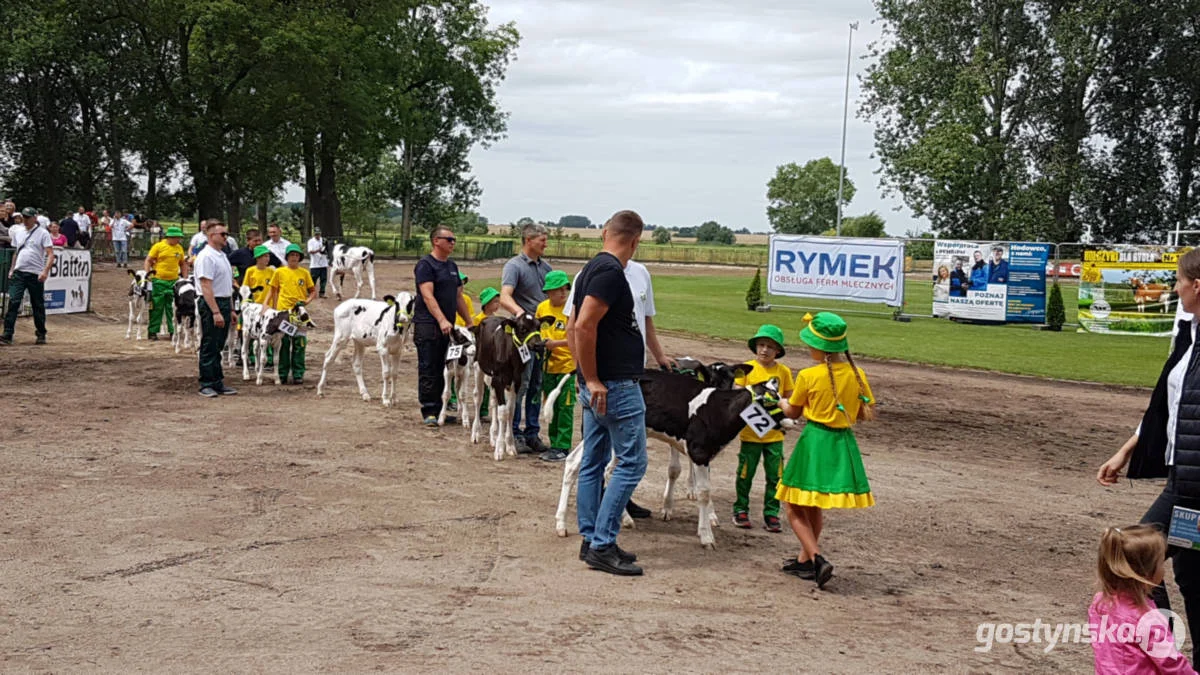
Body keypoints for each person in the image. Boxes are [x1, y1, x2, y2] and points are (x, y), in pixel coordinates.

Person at [1097, 248, 1200, 662]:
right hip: (1184, 477)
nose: (1175, 288)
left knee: (1129, 557)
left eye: (1178, 281)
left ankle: (1159, 655)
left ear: (1197, 286)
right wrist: (1125, 450)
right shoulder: (1189, 336)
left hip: (1193, 488)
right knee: (1193, 576)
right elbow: (1167, 407)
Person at [568, 210, 647, 576]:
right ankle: (602, 543)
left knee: (593, 462)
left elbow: (571, 326)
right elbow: (583, 327)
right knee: (632, 463)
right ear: (635, 240)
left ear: (604, 233)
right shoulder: (612, 273)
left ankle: (592, 538)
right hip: (614, 385)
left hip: (597, 383)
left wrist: (583, 376)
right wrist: (594, 378)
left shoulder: (587, 271)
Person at [564, 256, 674, 519]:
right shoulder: (596, 274)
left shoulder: (640, 273)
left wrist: (659, 356)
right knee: (628, 460)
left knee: (609, 454)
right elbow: (576, 325)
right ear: (635, 241)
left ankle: (607, 517)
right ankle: (602, 536)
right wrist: (585, 374)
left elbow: (645, 319)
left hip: (632, 373)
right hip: (609, 377)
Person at [776, 312, 876, 589]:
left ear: (819, 347)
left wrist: (780, 401)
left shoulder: (809, 375)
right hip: (842, 442)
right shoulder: (857, 374)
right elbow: (859, 413)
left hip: (814, 442)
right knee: (814, 503)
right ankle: (805, 560)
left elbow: (792, 411)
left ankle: (818, 558)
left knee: (794, 505)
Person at [1088, 525, 1194, 674]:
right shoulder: (1148, 619)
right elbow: (1170, 663)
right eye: (1160, 563)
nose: (1163, 569)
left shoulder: (1100, 604)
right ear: (1146, 574)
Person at [732, 324, 794, 532]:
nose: (764, 350)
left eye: (770, 346)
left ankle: (771, 513)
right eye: (761, 345)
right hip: (751, 433)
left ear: (778, 351)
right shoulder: (746, 368)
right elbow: (738, 394)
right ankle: (740, 509)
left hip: (775, 435)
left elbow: (789, 397)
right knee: (745, 474)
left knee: (775, 475)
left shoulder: (783, 372)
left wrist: (781, 408)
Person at [500, 223, 553, 455]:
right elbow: (505, 297)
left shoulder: (546, 267)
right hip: (523, 335)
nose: (545, 243)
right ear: (529, 240)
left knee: (536, 384)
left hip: (541, 334)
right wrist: (521, 314)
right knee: (521, 384)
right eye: (542, 239)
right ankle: (514, 431)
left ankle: (532, 431)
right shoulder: (514, 266)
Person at [413, 226, 473, 426]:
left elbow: (458, 297)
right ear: (436, 241)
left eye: (454, 239)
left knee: (447, 366)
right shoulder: (426, 265)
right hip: (428, 324)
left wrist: (470, 321)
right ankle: (429, 409)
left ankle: (442, 410)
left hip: (448, 327)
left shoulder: (452, 267)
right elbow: (427, 295)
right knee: (429, 366)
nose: (453, 243)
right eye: (449, 239)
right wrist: (441, 319)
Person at [194, 221, 237, 398]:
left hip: (224, 301)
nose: (226, 237)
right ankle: (206, 382)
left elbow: (227, 285)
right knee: (210, 343)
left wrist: (231, 309)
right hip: (213, 302)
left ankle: (217, 380)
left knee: (219, 343)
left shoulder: (221, 255)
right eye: (223, 234)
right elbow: (206, 286)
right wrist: (215, 311)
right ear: (212, 236)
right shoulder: (206, 257)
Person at [536, 270, 576, 462]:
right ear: (549, 292)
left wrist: (556, 344)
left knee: (565, 406)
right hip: (547, 366)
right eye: (558, 290)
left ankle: (563, 445)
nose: (563, 293)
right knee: (549, 405)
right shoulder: (542, 308)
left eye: (565, 289)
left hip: (566, 366)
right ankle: (553, 443)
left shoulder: (570, 310)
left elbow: (576, 337)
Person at [1, 207, 54, 345]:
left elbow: (50, 254)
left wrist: (45, 271)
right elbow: (16, 252)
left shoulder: (43, 233)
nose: (25, 220)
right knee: (13, 301)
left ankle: (41, 332)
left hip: (35, 273)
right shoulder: (19, 233)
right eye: (24, 217)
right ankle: (7, 334)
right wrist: (12, 269)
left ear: (35, 218)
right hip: (19, 272)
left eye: (28, 217)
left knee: (37, 304)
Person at [265, 244, 317, 385]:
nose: (294, 258)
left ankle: (298, 373)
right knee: (283, 343)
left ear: (299, 257)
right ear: (287, 257)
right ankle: (282, 373)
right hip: (283, 313)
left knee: (299, 343)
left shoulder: (304, 273)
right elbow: (273, 290)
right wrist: (268, 306)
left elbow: (313, 291)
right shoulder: (279, 272)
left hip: (299, 313)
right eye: (291, 255)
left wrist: (306, 302)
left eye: (296, 255)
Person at [144, 226, 189, 341]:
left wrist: (185, 278)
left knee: (172, 307)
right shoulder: (158, 246)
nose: (179, 240)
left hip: (174, 282)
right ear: (170, 237)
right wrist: (148, 274)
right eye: (177, 238)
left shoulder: (179, 248)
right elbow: (148, 260)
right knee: (156, 307)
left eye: (179, 238)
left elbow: (182, 263)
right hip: (158, 280)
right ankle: (153, 331)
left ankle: (172, 330)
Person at [307, 229, 329, 298]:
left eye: (319, 234)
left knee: (323, 279)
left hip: (323, 263)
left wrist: (326, 251)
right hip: (315, 264)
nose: (318, 235)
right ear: (314, 234)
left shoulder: (324, 240)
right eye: (316, 234)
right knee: (313, 279)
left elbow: (328, 249)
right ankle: (310, 292)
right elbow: (310, 251)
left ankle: (322, 293)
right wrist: (318, 250)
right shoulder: (311, 241)